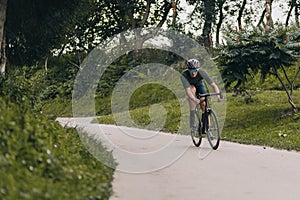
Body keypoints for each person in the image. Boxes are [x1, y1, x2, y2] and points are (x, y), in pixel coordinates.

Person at [180, 58, 222, 129]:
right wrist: (194, 99)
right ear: (188, 69)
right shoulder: (184, 75)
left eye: (195, 70)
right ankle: (192, 119)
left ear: (198, 69)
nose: (193, 73)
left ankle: (206, 123)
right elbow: (188, 90)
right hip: (190, 86)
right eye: (191, 70)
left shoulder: (202, 72)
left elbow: (213, 85)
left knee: (203, 102)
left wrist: (218, 95)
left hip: (199, 84)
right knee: (192, 92)